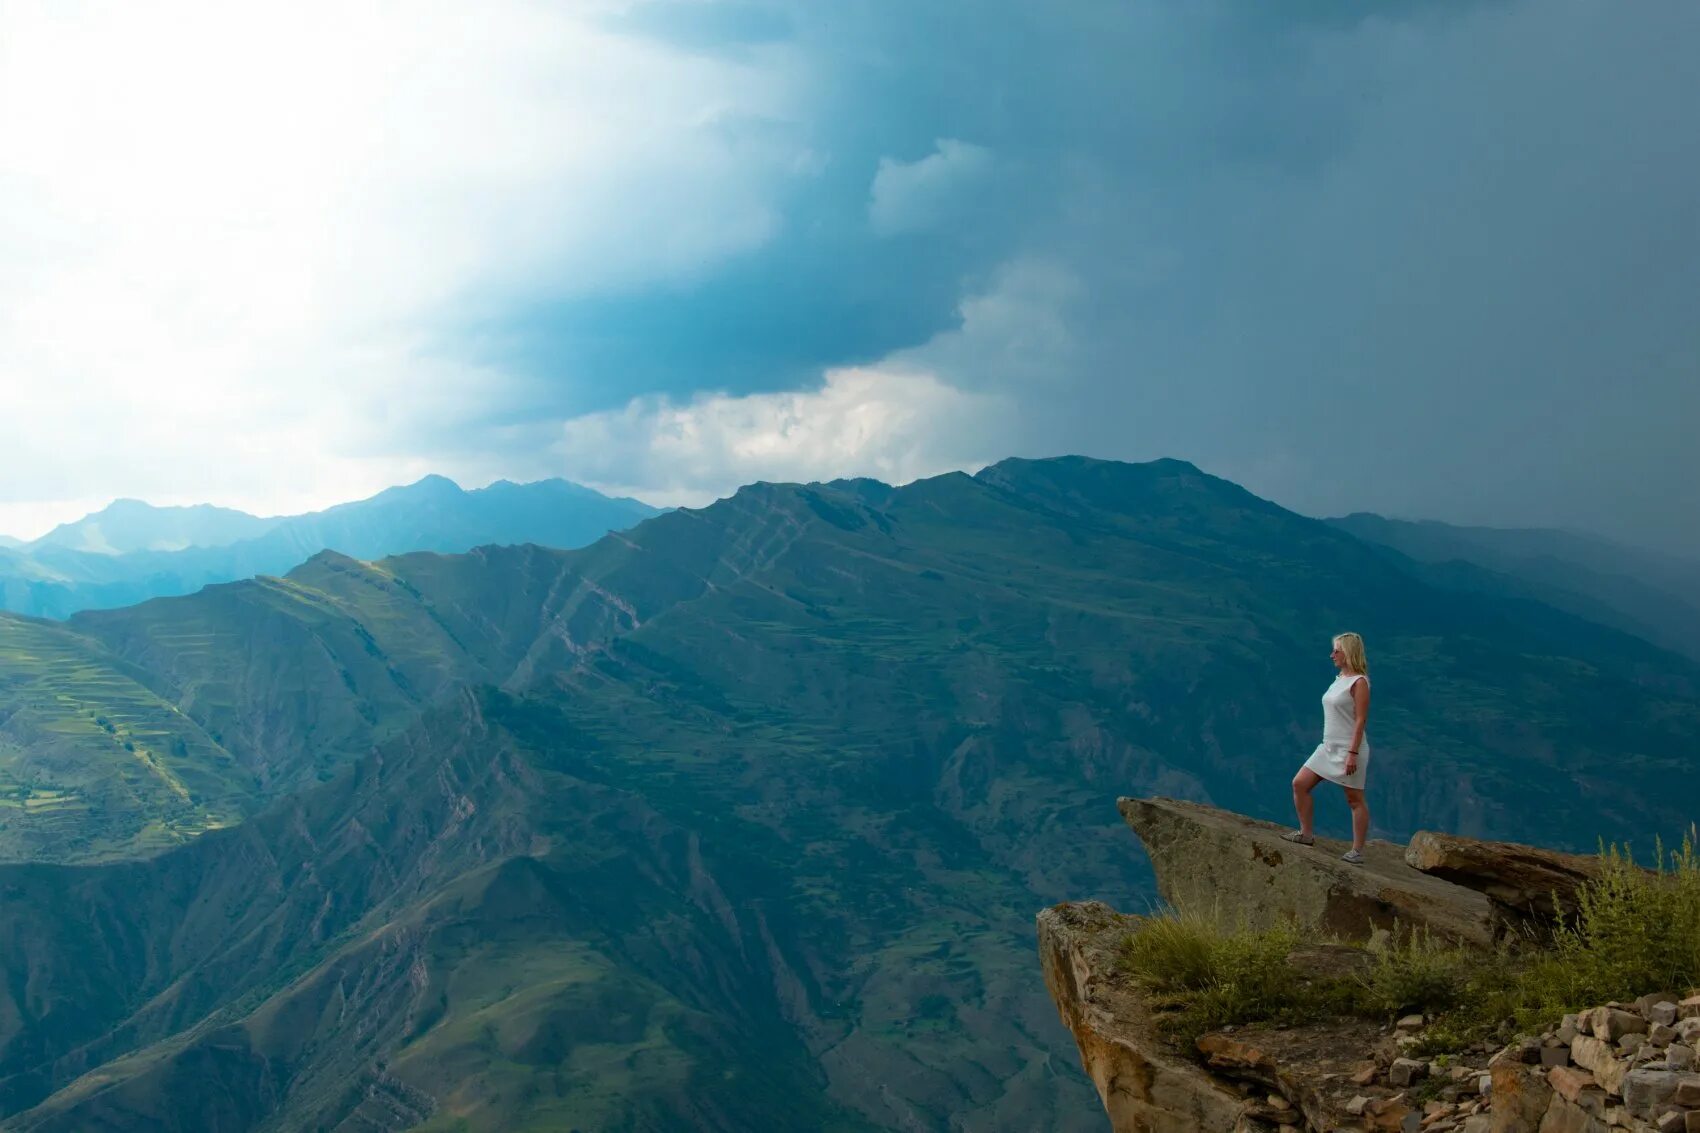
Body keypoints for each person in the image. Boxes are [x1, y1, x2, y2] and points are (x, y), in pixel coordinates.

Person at [1283, 632, 1372, 864]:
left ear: (1349, 653)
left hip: (1349, 749)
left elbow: (1361, 719)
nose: (1332, 655)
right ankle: (1306, 834)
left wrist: (1352, 753)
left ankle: (1358, 851)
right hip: (1328, 746)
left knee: (1355, 800)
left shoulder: (1359, 682)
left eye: (1337, 651)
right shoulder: (1340, 678)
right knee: (1299, 784)